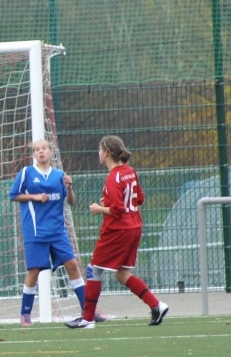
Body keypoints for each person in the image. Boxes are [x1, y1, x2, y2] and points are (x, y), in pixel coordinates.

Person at [65, 135, 169, 329]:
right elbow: (139, 199)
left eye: (99, 150)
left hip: (118, 230)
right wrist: (110, 203)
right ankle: (156, 305)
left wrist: (99, 208)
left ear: (106, 153)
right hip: (134, 227)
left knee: (93, 270)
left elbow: (118, 210)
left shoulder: (113, 177)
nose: (98, 153)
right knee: (122, 274)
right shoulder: (130, 171)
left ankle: (88, 318)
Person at [9, 139, 104, 327]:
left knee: (72, 265)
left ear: (51, 152)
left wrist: (69, 187)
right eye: (37, 150)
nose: (41, 152)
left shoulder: (60, 175)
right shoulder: (27, 173)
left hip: (57, 231)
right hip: (35, 231)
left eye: (44, 148)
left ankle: (88, 310)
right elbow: (14, 195)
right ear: (34, 154)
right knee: (34, 271)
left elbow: (71, 201)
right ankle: (25, 314)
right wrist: (35, 196)